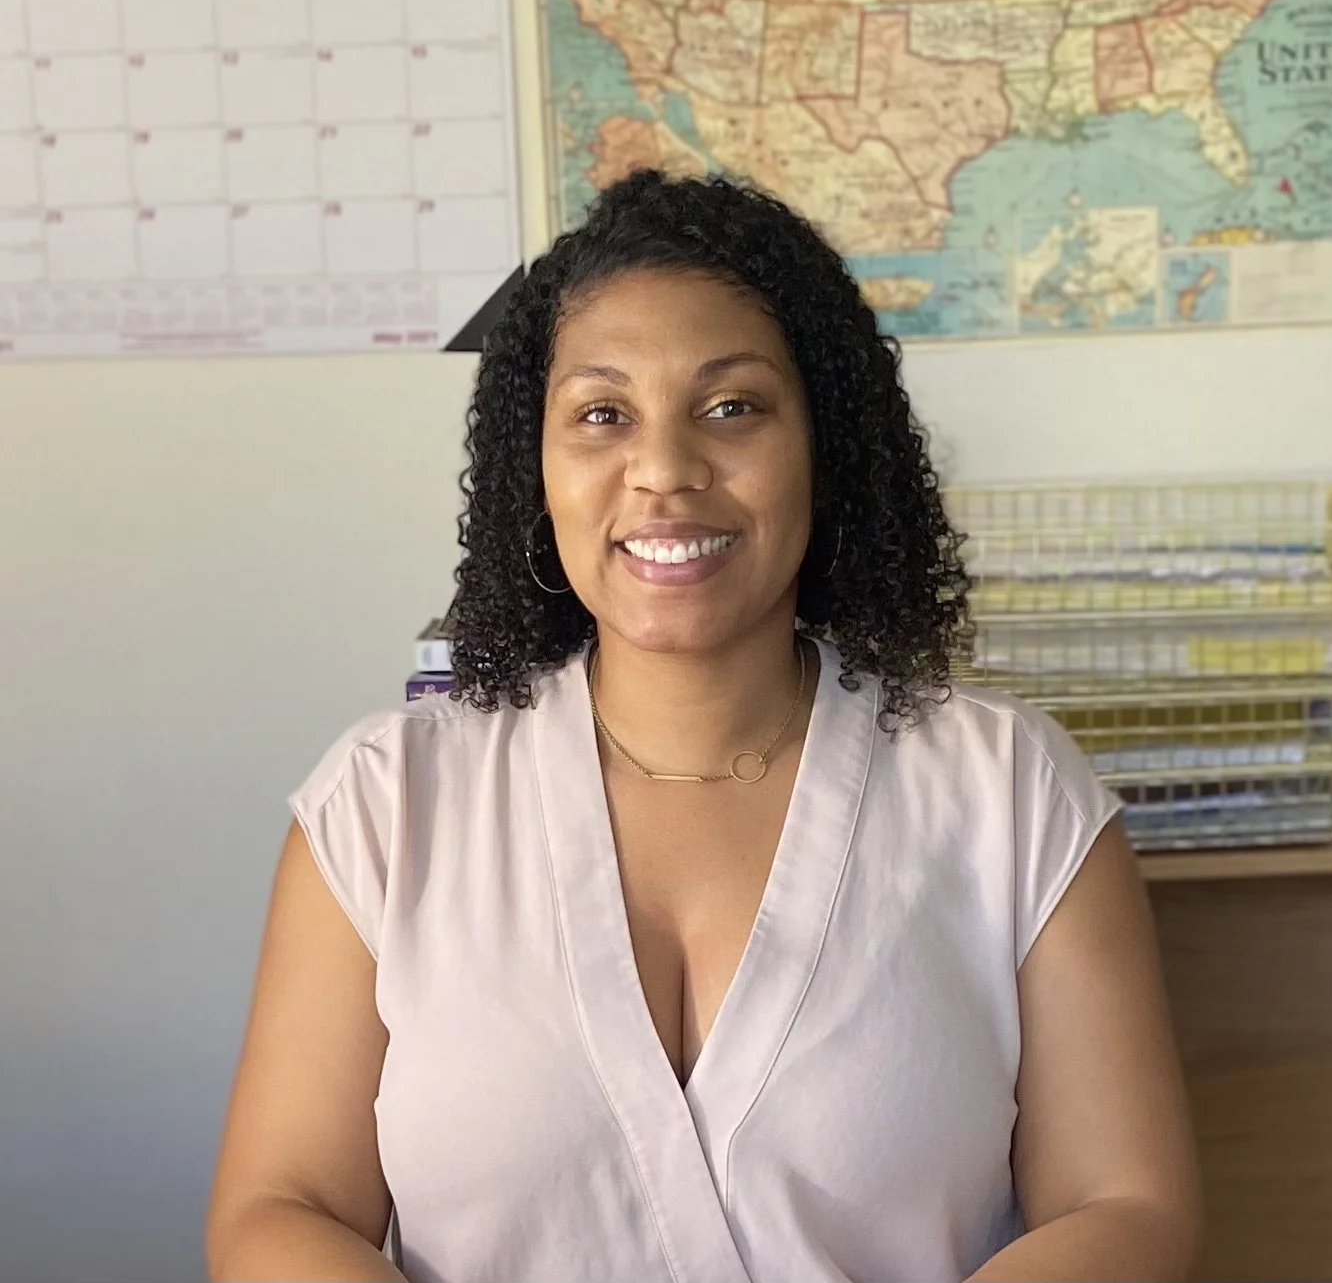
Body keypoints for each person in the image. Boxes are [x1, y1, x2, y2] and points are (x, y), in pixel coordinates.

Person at [206, 170, 1201, 1283]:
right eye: (601, 414)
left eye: (731, 408)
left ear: (824, 448)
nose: (666, 472)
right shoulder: (388, 805)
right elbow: (279, 1209)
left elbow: (1127, 1205)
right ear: (534, 472)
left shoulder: (1006, 788)